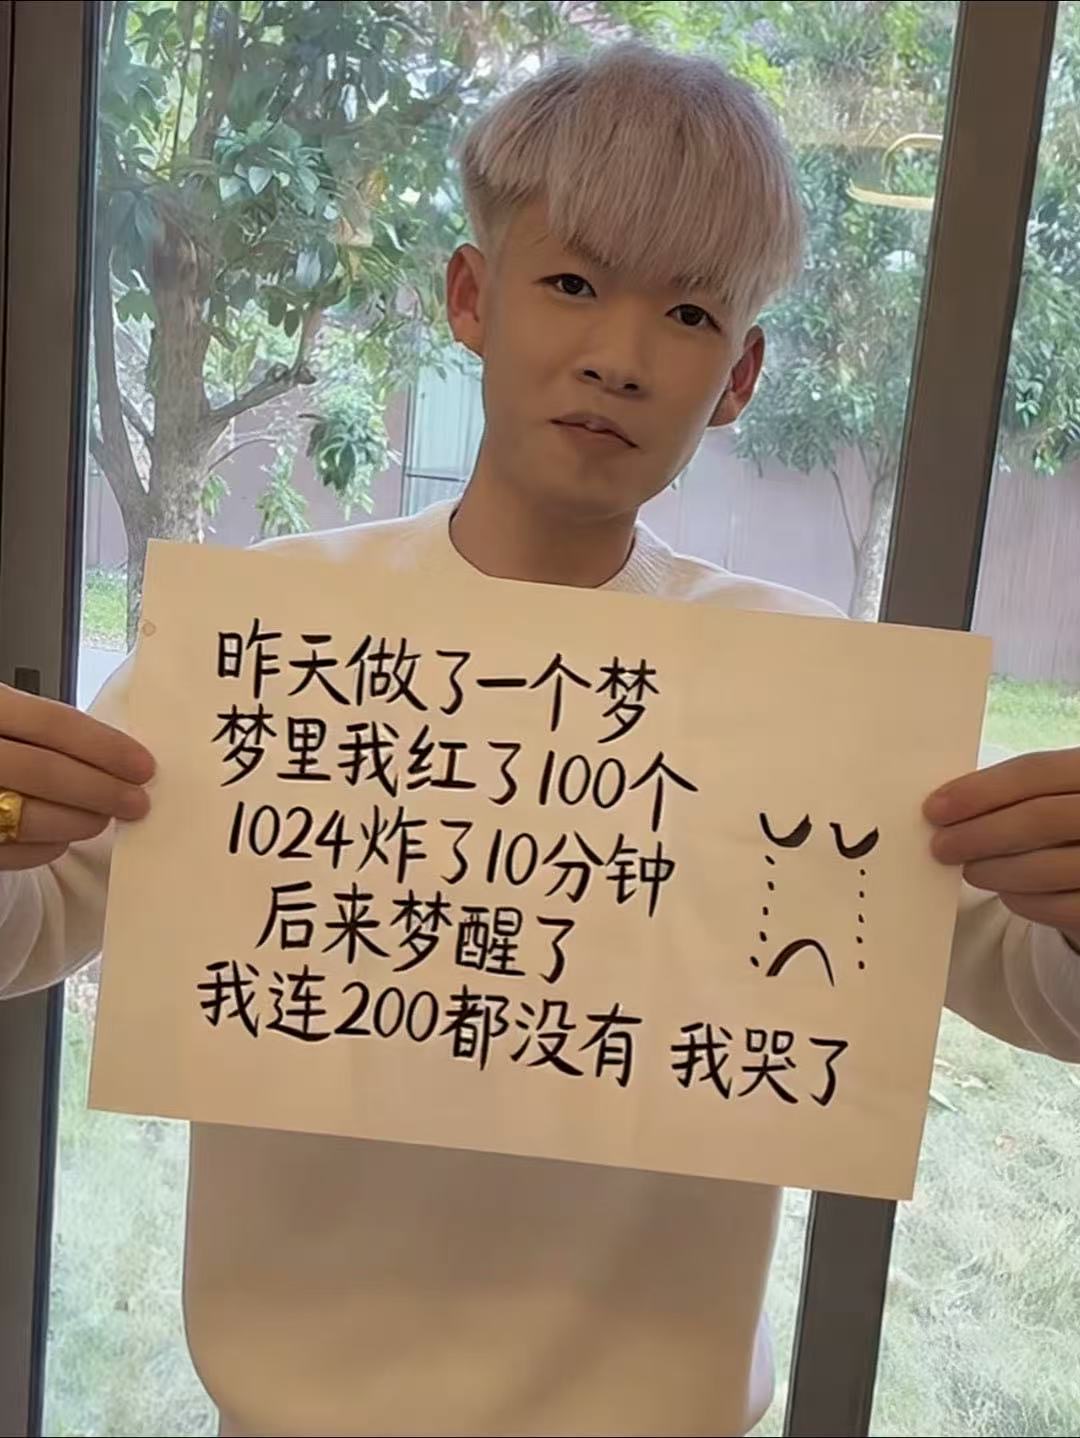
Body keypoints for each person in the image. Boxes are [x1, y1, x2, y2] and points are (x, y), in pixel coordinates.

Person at [2, 40, 1078, 1438]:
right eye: (571, 283)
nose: (618, 357)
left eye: (688, 313)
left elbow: (1026, 987)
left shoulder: (802, 681)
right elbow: (40, 925)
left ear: (741, 376)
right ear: (471, 296)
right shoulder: (278, 638)